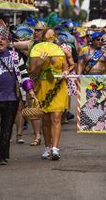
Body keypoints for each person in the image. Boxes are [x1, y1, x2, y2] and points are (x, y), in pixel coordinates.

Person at [0, 27, 35, 165]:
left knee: (7, 128)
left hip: (11, 98)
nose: (0, 41)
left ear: (7, 42)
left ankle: (2, 155)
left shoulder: (15, 56)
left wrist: (30, 90)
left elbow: (24, 76)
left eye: (3, 39)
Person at [29, 28, 68, 161]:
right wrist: (40, 63)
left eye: (53, 34)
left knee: (56, 117)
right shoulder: (37, 51)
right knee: (45, 119)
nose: (51, 36)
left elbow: (66, 67)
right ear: (44, 37)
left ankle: (55, 148)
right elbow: (33, 73)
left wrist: (66, 72)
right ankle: (47, 147)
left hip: (58, 86)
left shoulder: (60, 51)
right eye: (48, 34)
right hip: (43, 86)